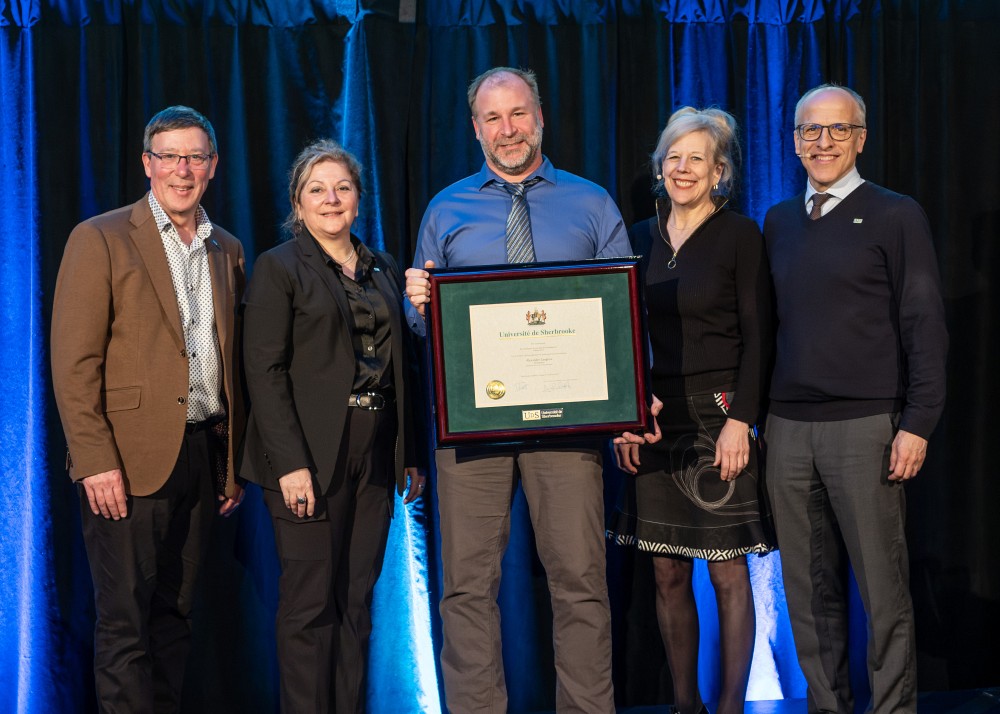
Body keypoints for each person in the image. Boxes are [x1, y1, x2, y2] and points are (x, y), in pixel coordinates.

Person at [405, 66, 631, 713]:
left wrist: (630, 401)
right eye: (493, 118)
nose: (508, 129)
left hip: (569, 426)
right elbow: (424, 327)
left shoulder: (591, 204)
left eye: (518, 113)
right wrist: (418, 302)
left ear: (540, 117)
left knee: (581, 582)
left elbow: (624, 312)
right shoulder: (445, 209)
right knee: (466, 589)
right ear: (475, 129)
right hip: (472, 429)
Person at [50, 105, 246, 713]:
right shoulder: (100, 237)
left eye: (195, 157)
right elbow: (74, 363)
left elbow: (230, 363)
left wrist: (229, 464)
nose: (182, 170)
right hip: (127, 463)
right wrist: (94, 461)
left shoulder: (227, 249)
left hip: (202, 455)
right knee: (125, 625)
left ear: (212, 166)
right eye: (169, 156)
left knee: (175, 618)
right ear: (147, 163)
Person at [763, 84, 947, 714]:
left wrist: (918, 422)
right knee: (806, 595)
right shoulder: (778, 221)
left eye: (838, 129)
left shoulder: (896, 215)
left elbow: (924, 322)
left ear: (860, 138)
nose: (824, 142)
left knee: (882, 594)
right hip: (787, 430)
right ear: (794, 142)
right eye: (810, 130)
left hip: (867, 427)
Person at [239, 139, 424, 714]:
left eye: (342, 187)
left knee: (356, 603)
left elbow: (406, 368)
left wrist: (410, 452)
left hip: (376, 449)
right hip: (308, 458)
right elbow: (263, 372)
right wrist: (290, 463)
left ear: (358, 199)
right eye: (316, 190)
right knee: (309, 605)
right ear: (298, 204)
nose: (331, 198)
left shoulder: (382, 266)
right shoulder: (279, 267)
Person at [609, 107, 775, 714]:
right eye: (673, 157)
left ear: (719, 171)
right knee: (667, 574)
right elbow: (615, 333)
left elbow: (760, 336)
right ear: (660, 167)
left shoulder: (740, 235)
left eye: (696, 159)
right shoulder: (635, 236)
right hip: (653, 420)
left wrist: (742, 421)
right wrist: (623, 417)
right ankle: (687, 706)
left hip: (719, 416)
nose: (683, 168)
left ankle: (730, 707)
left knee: (728, 571)